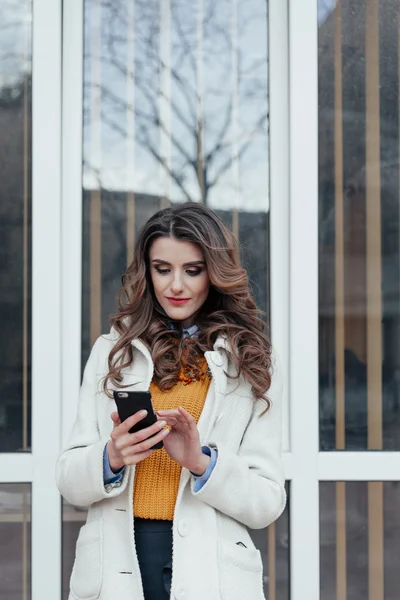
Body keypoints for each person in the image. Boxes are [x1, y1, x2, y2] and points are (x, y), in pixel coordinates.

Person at [56, 202, 286, 600]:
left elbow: (266, 502)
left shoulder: (250, 359)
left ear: (215, 273)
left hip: (208, 570)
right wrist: (111, 456)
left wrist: (202, 462)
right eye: (162, 269)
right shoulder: (113, 351)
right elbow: (69, 482)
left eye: (192, 270)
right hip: (115, 565)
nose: (175, 286)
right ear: (147, 271)